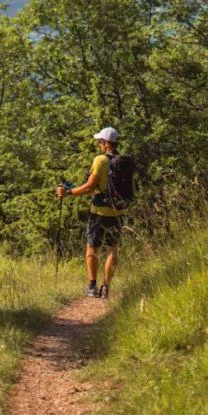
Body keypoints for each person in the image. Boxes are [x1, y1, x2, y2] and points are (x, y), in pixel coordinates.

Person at [57, 126, 125, 299]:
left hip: (98, 212)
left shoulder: (100, 160)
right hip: (118, 212)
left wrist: (69, 192)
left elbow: (90, 186)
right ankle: (106, 288)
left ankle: (92, 286)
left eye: (100, 142)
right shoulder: (124, 161)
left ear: (107, 143)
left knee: (92, 247)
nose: (99, 145)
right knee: (112, 249)